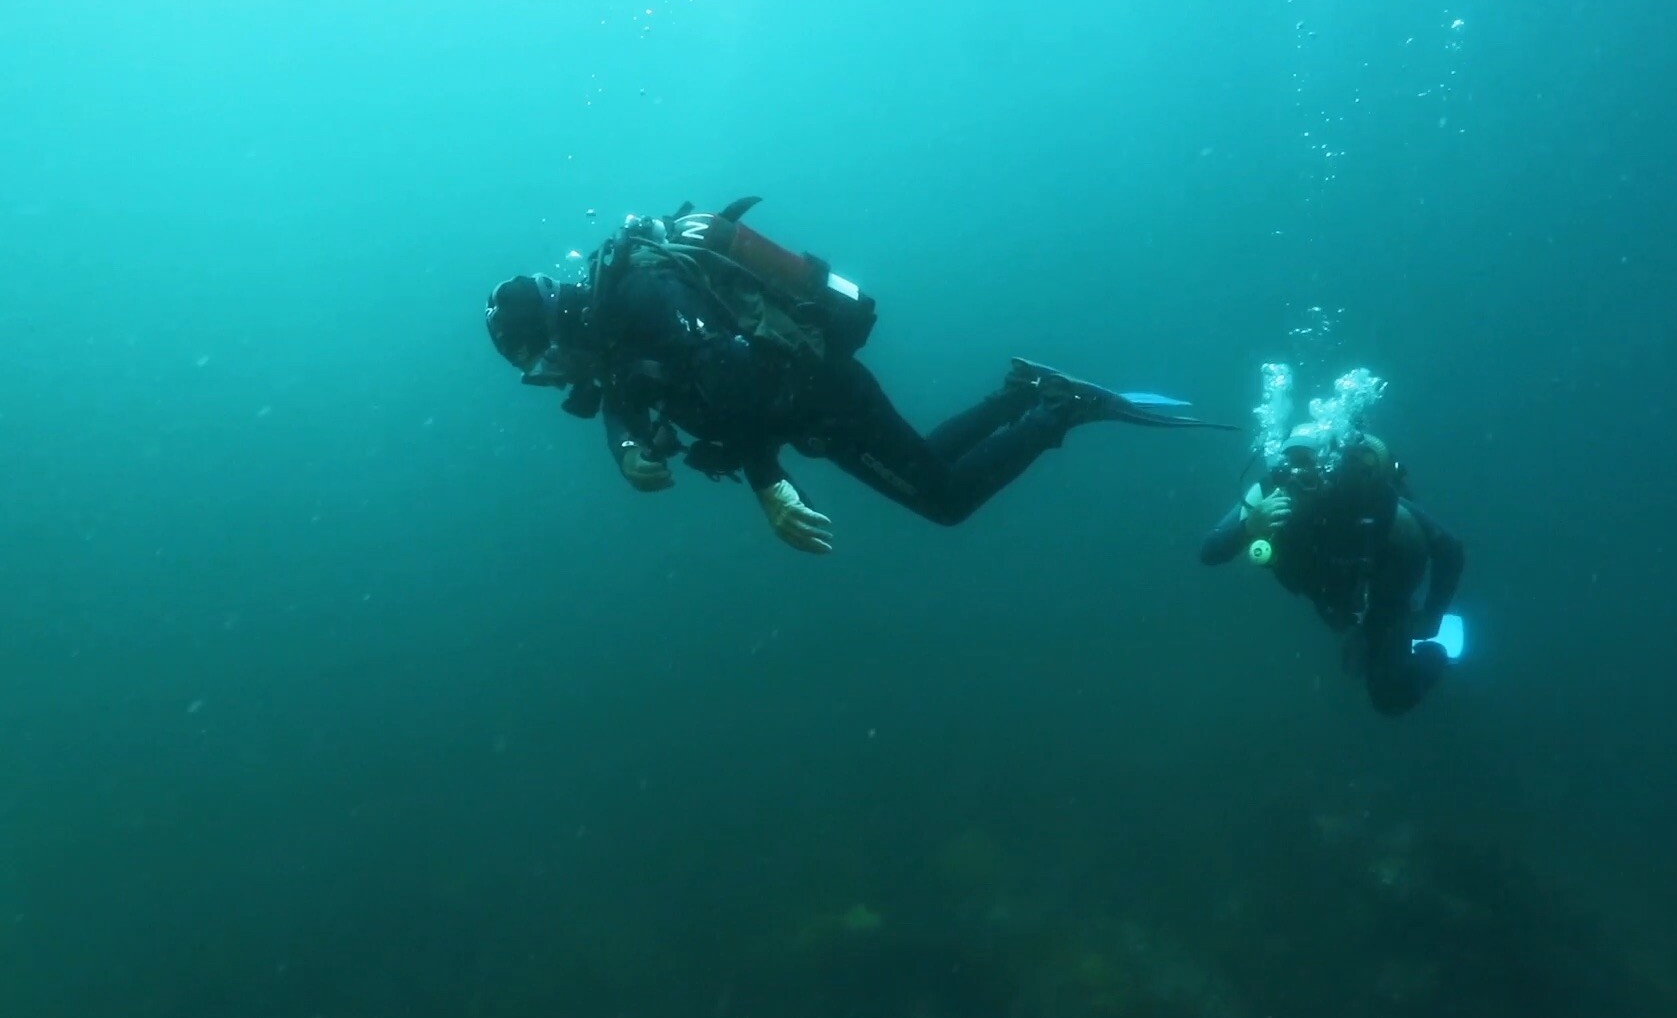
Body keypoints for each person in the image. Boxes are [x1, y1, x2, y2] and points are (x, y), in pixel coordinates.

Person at [486, 196, 1234, 554]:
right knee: (929, 464)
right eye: (536, 374)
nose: (553, 376)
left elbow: (737, 378)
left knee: (945, 501)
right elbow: (623, 398)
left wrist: (766, 483)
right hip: (815, 407)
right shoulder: (609, 334)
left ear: (555, 325)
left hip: (823, 398)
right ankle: (1020, 393)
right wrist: (625, 450)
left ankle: (1059, 409)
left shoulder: (639, 297)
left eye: (541, 360)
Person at [1200, 430, 1465, 716]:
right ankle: (1362, 634)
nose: (1297, 477)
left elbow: (1449, 548)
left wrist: (1432, 617)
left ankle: (1436, 652)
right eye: (1291, 463)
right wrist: (1248, 528)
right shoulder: (1267, 496)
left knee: (1389, 695)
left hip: (1383, 587)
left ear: (1328, 467)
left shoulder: (1365, 497)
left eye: (1307, 464)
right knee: (1351, 649)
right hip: (1328, 593)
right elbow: (1210, 551)